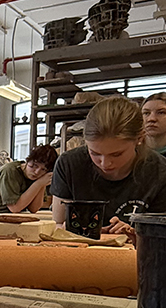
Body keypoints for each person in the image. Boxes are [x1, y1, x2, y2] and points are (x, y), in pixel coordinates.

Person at [50, 96, 166, 240]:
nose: (105, 164)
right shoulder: (69, 164)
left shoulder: (160, 172)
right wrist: (72, 229)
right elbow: (57, 224)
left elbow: (160, 236)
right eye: (95, 153)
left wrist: (136, 235)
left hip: (135, 257)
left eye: (117, 154)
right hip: (77, 252)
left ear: (139, 139)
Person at [0, 145, 57, 213]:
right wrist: (38, 184)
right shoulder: (10, 171)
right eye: (34, 165)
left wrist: (42, 184)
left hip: (9, 215)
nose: (37, 172)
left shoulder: (38, 177)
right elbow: (15, 208)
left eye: (43, 169)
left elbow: (34, 209)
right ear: (28, 160)